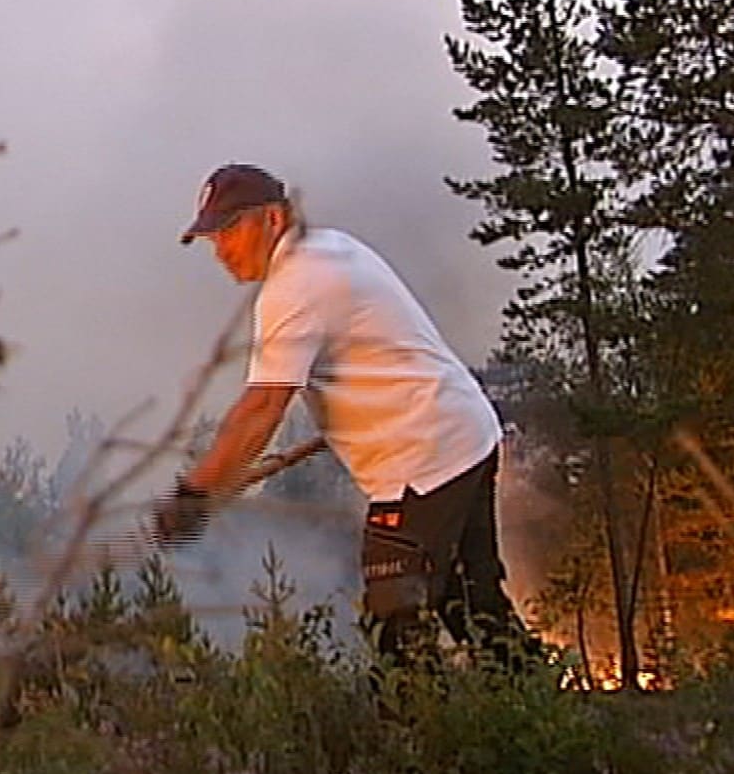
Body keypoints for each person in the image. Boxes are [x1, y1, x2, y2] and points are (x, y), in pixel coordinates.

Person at [151, 162, 538, 674]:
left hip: (423, 462)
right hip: (464, 433)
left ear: (272, 218)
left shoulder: (294, 285)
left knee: (397, 621)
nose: (220, 248)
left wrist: (194, 495)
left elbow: (260, 410)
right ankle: (545, 717)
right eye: (211, 236)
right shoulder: (329, 248)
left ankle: (418, 741)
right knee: (473, 606)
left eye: (229, 229)